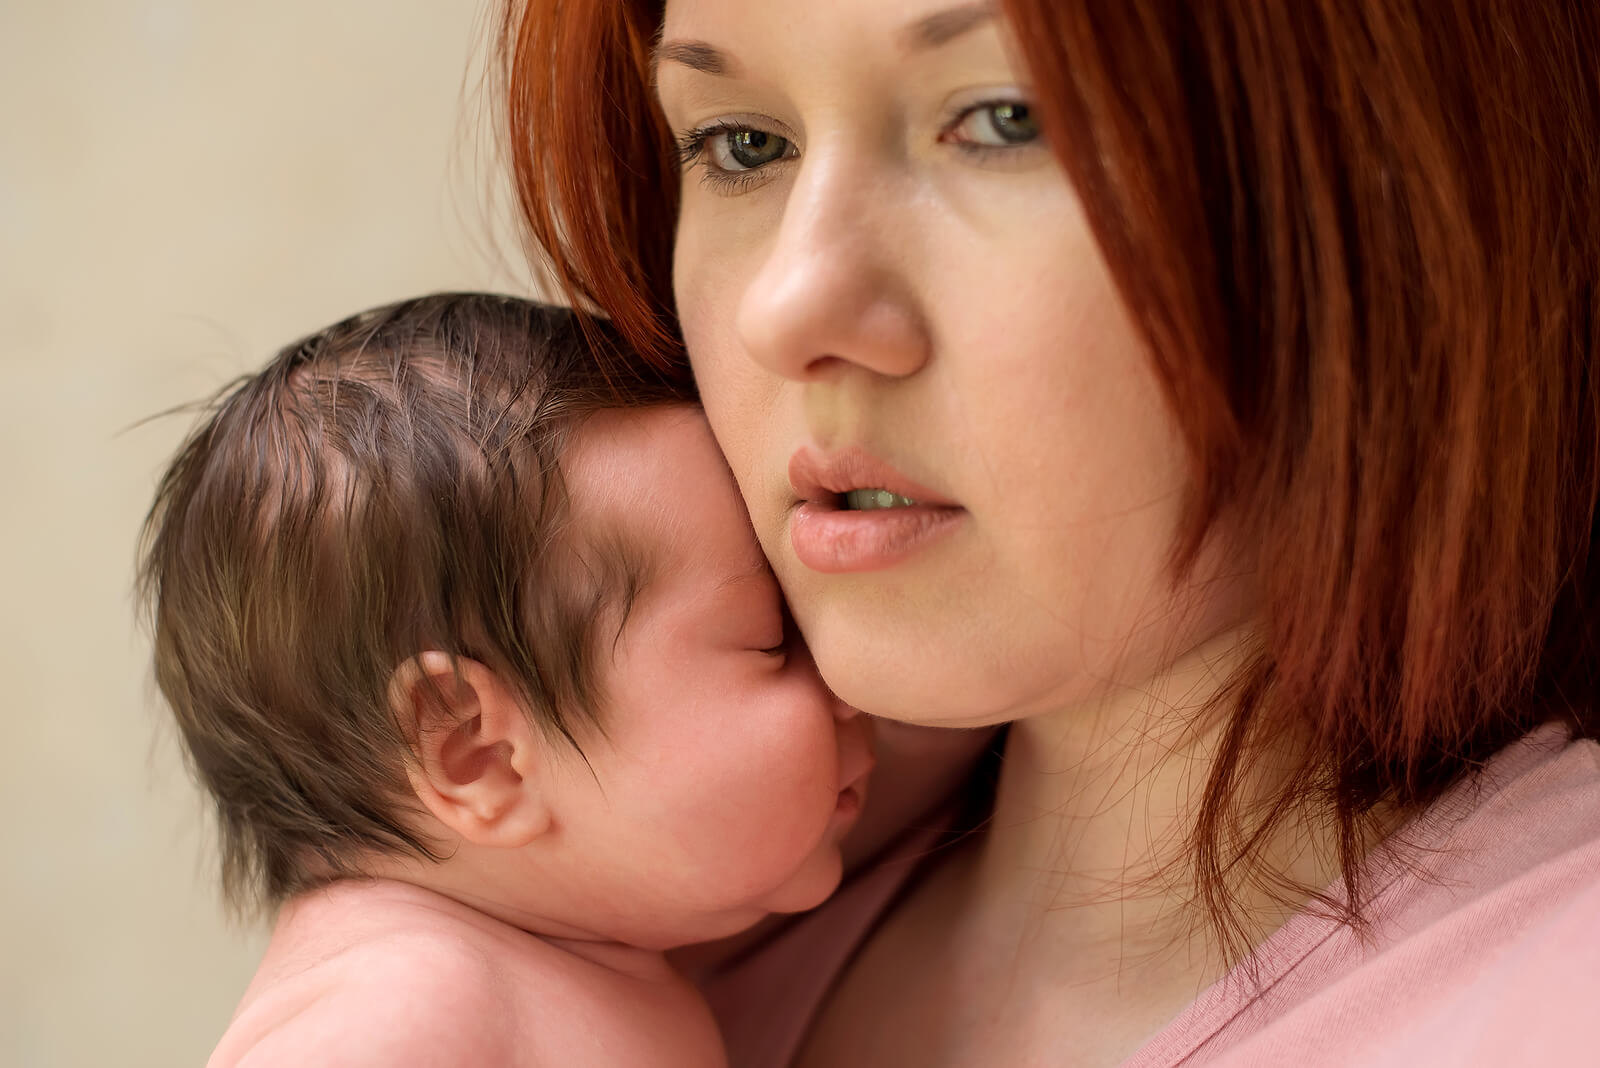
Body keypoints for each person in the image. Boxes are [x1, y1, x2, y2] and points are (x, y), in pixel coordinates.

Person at [499, 0, 1600, 1064]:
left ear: (1394, 182)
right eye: (742, 144)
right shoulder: (606, 946)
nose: (789, 305)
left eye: (1005, 119)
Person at [138, 293, 874, 1067]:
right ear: (478, 753)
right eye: (772, 639)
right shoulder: (401, 1008)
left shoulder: (576, 966)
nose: (847, 684)